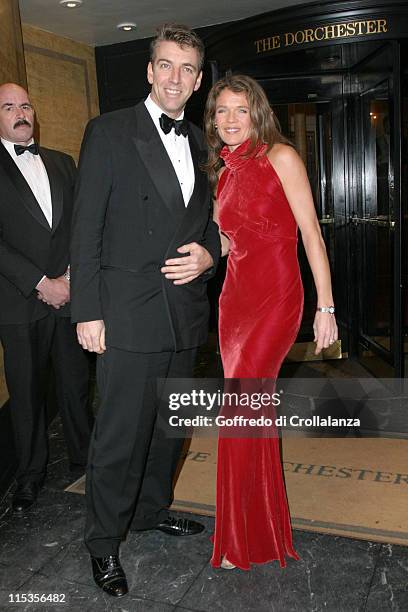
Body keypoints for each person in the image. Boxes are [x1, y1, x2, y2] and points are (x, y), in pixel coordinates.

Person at [70, 24, 220, 598]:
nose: (176, 78)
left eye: (187, 69)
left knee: (168, 428)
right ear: (149, 70)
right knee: (118, 436)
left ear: (199, 79)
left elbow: (211, 222)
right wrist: (88, 310)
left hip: (184, 311)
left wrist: (209, 253)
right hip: (127, 313)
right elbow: (86, 229)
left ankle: (151, 511)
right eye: (166, 65)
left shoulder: (205, 144)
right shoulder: (109, 131)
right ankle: (103, 543)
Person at [204, 74, 338, 570]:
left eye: (241, 110)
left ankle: (248, 539)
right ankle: (248, 528)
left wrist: (325, 306)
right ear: (213, 119)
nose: (231, 120)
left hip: (276, 298)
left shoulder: (281, 156)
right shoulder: (223, 172)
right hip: (233, 302)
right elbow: (224, 241)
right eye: (222, 111)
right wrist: (195, 257)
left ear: (257, 113)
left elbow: (311, 234)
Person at [0, 83, 92, 514]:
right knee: (26, 392)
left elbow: (81, 225)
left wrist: (70, 278)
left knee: (75, 382)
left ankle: (86, 459)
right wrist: (42, 282)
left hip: (70, 295)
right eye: (8, 107)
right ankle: (30, 474)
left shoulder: (62, 162)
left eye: (25, 105)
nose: (21, 112)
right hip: (18, 302)